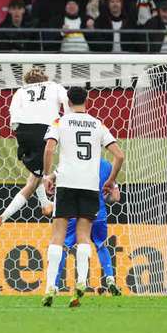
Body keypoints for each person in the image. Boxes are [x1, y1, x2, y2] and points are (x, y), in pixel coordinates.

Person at [42, 86, 124, 307]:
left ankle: (51, 286)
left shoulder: (60, 122)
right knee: (84, 236)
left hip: (67, 183)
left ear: (67, 102)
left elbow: (49, 149)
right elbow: (119, 155)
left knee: (58, 234)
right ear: (86, 100)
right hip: (89, 186)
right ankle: (80, 283)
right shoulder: (98, 124)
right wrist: (110, 180)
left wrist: (48, 175)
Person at [0, 68, 67, 236]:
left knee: (34, 175)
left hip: (23, 131)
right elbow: (66, 100)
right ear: (44, 78)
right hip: (44, 129)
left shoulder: (21, 91)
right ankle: (3, 216)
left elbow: (12, 115)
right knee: (33, 182)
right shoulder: (53, 86)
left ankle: (45, 204)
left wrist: (19, 134)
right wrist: (67, 119)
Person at [50, 159, 123, 296]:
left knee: (63, 247)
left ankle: (54, 285)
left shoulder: (75, 160)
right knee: (101, 245)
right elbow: (116, 197)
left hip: (74, 211)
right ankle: (110, 279)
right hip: (98, 211)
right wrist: (103, 198)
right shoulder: (107, 166)